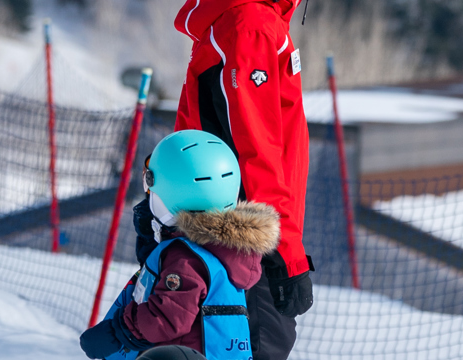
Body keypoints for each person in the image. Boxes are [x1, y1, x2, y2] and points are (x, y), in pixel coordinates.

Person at [150, 1, 316, 359]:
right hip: (247, 246)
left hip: (232, 238)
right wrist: (285, 255)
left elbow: (188, 129)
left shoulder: (250, 20)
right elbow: (256, 147)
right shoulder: (250, 25)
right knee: (260, 347)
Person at [84, 130, 279, 360]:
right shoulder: (220, 253)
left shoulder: (186, 260)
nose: (148, 194)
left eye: (150, 182)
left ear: (173, 193)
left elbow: (166, 318)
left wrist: (116, 334)